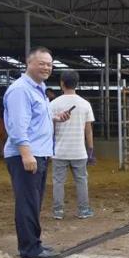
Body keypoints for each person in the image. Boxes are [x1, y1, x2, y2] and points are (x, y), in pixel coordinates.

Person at [3, 46, 70, 258]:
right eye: (41, 63)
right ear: (29, 63)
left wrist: (56, 118)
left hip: (38, 154)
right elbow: (17, 126)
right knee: (27, 202)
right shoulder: (20, 90)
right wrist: (26, 154)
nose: (46, 68)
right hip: (26, 155)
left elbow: (34, 120)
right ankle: (29, 250)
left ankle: (35, 244)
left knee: (33, 202)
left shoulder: (38, 89)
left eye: (49, 64)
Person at [50, 70, 96, 220]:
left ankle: (58, 211)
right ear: (77, 84)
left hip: (59, 151)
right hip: (79, 152)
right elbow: (88, 131)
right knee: (81, 180)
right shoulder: (85, 104)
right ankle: (83, 210)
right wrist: (91, 150)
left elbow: (49, 129)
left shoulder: (53, 104)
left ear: (61, 83)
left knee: (58, 181)